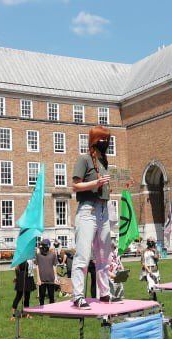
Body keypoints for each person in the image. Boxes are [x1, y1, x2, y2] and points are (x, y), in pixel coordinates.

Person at [70, 126, 114, 309]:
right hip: (88, 210)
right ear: (95, 141)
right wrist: (96, 183)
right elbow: (75, 186)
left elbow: (101, 186)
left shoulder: (104, 162)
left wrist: (108, 187)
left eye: (107, 140)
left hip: (103, 209)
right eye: (103, 140)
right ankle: (78, 296)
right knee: (83, 255)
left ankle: (105, 293)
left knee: (104, 255)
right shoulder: (84, 159)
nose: (105, 143)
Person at [35, 239, 59, 305]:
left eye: (44, 246)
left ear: (48, 246)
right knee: (41, 296)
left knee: (51, 296)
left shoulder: (53, 255)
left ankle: (51, 311)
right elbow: (37, 267)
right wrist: (38, 278)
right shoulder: (38, 255)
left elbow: (54, 266)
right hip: (42, 280)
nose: (43, 248)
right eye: (42, 246)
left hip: (51, 279)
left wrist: (56, 278)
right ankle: (41, 310)